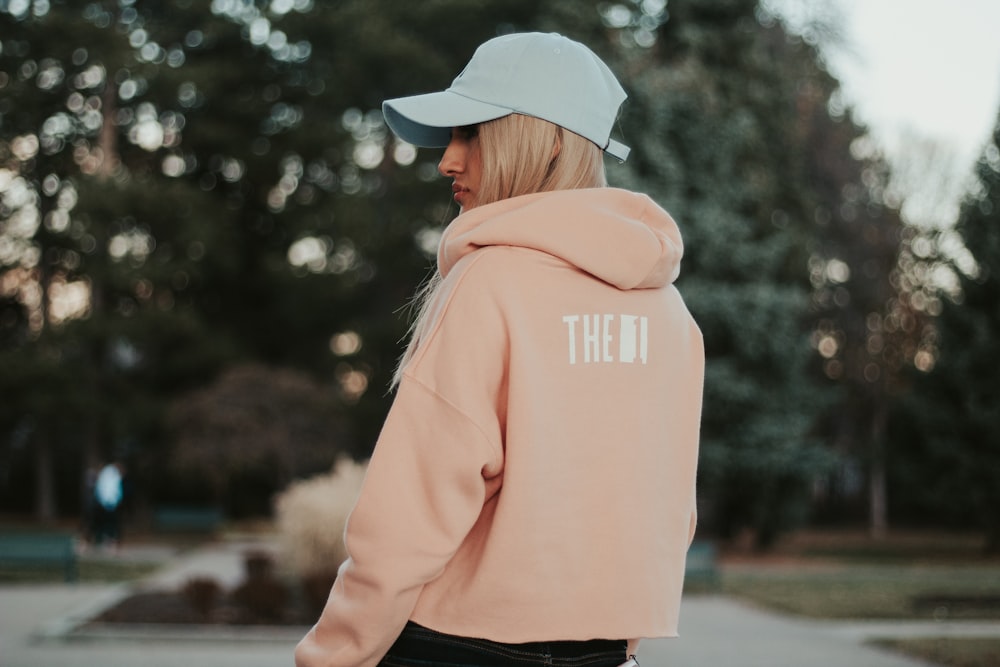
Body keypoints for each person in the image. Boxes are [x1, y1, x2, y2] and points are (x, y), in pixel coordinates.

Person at [296, 32, 704, 667]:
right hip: (600, 653)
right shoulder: (671, 313)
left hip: (455, 648)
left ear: (529, 138)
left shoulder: (490, 283)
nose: (446, 161)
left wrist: (333, 657)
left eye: (470, 134)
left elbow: (410, 513)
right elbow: (664, 508)